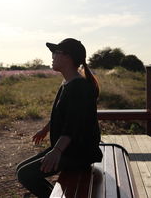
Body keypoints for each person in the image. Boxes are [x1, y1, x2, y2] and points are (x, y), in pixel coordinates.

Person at [16, 38, 102, 198]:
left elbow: (73, 125)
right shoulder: (68, 83)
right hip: (69, 149)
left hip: (79, 153)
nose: (52, 56)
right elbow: (63, 114)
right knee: (21, 169)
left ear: (67, 57)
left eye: (56, 52)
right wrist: (45, 129)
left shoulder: (79, 88)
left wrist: (56, 150)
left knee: (26, 174)